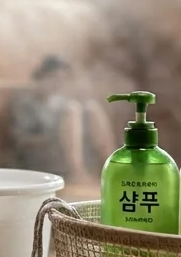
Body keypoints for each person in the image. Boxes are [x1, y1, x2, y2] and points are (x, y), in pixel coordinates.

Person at [9, 55, 115, 184]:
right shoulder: (26, 103)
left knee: (92, 108)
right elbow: (22, 140)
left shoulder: (59, 100)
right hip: (40, 156)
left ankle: (112, 168)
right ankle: (77, 172)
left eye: (62, 79)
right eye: (54, 78)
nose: (57, 83)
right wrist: (55, 136)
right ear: (41, 77)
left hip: (63, 150)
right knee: (72, 109)